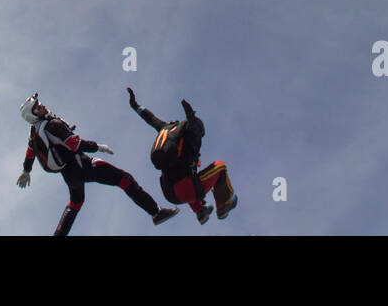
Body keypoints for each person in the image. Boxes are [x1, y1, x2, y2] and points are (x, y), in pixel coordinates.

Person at [16, 92, 179, 235]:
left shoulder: (34, 132)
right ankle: (156, 212)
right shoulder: (52, 125)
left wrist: (26, 171)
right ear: (33, 115)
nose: (42, 105)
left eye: (39, 103)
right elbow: (75, 145)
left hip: (69, 175)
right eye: (37, 107)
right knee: (124, 179)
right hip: (82, 165)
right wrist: (98, 147)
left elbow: (30, 152)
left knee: (75, 203)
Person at [126, 87, 237, 224]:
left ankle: (200, 211)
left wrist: (135, 106)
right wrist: (192, 118)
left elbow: (150, 118)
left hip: (169, 193)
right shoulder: (192, 136)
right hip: (187, 190)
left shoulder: (167, 130)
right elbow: (192, 161)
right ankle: (224, 205)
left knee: (185, 173)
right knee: (220, 167)